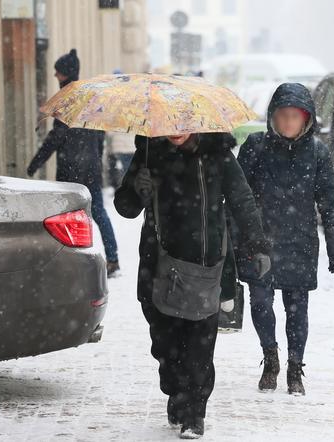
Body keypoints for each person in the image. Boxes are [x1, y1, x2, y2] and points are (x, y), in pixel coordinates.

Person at [114, 132, 270, 439]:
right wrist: (137, 191)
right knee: (166, 345)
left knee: (199, 344)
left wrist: (257, 244)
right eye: (170, 122)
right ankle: (174, 388)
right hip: (159, 265)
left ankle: (195, 412)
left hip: (205, 263)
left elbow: (241, 199)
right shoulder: (149, 152)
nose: (176, 128)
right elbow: (125, 207)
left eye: (184, 122)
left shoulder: (218, 154)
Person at [237, 83, 334, 396]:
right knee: (260, 303)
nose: (287, 122)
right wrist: (233, 241)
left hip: (299, 242)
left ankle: (295, 367)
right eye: (282, 115)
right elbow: (237, 196)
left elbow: (329, 199)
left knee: (297, 310)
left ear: (306, 119)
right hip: (260, 242)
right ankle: (271, 357)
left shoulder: (318, 152)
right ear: (273, 116)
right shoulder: (256, 146)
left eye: (294, 116)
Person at [27, 49, 120, 277]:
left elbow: (55, 138)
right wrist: (95, 158)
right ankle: (113, 257)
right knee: (98, 213)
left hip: (71, 168)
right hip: (90, 169)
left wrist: (36, 162)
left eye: (58, 72)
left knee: (67, 217)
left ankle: (70, 260)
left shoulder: (67, 100)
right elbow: (99, 137)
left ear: (66, 73)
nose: (55, 76)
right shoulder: (89, 99)